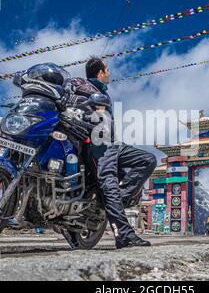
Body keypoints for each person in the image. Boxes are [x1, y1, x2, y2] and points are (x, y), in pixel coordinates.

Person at [65, 57, 157, 249]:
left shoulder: (101, 92)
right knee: (109, 184)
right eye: (107, 70)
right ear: (100, 72)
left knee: (148, 160)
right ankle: (124, 234)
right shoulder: (82, 88)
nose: (109, 74)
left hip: (113, 144)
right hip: (97, 145)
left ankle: (114, 200)